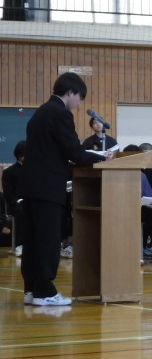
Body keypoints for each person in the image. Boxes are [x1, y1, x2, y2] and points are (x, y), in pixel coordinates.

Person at [18, 72, 114, 306]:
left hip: (31, 186)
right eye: (79, 98)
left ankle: (32, 289)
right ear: (70, 92)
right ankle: (45, 291)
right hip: (48, 186)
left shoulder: (41, 112)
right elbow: (73, 151)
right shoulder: (60, 113)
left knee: (33, 239)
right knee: (48, 239)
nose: (79, 104)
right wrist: (101, 158)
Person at [1, 140, 27, 257]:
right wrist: (19, 200)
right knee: (21, 211)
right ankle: (20, 245)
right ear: (20, 156)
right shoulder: (9, 172)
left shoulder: (33, 170)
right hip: (15, 204)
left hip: (31, 200)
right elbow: (8, 194)